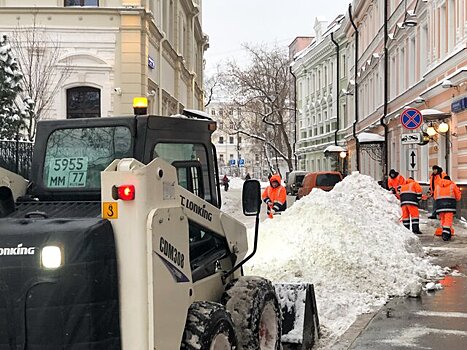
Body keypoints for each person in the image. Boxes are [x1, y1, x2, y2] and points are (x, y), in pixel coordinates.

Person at [433, 175, 461, 241]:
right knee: (448, 220)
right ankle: (445, 235)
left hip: (440, 205)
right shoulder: (452, 185)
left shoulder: (437, 186)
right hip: (449, 205)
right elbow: (458, 197)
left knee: (443, 219)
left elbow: (435, 196)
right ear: (449, 180)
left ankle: (445, 232)